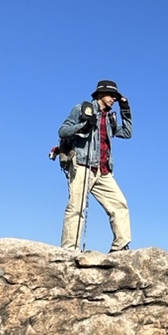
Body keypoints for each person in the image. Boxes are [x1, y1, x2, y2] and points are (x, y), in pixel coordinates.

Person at [59, 79, 132, 251]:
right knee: (76, 208)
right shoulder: (82, 109)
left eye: (115, 96)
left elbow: (127, 133)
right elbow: (62, 131)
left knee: (119, 205)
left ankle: (120, 247)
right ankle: (70, 250)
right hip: (83, 165)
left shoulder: (110, 117)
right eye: (111, 95)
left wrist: (125, 109)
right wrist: (83, 126)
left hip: (104, 170)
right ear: (100, 94)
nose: (114, 98)